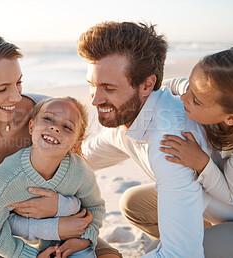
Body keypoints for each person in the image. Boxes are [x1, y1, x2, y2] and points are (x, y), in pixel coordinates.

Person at [0, 31, 121, 257]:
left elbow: (79, 183)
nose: (14, 97)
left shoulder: (47, 112)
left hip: (60, 219)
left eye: (18, 83)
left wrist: (59, 210)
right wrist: (47, 229)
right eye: (2, 89)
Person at [77, 21, 210, 257]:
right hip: (211, 201)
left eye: (108, 88)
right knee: (133, 203)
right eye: (93, 85)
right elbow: (80, 159)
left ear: (147, 85)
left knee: (206, 248)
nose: (95, 100)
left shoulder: (169, 143)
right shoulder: (131, 114)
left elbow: (181, 255)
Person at [159, 47, 233, 257]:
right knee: (135, 204)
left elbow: (229, 193)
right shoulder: (209, 90)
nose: (184, 97)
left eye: (195, 101)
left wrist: (201, 162)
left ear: (232, 119)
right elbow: (174, 85)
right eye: (189, 88)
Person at [0, 97, 105, 258]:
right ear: (31, 126)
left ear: (75, 145)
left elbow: (95, 207)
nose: (55, 127)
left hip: (73, 244)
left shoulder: (79, 170)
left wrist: (85, 239)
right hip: (28, 250)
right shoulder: (6, 178)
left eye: (67, 126)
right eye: (48, 119)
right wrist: (30, 255)